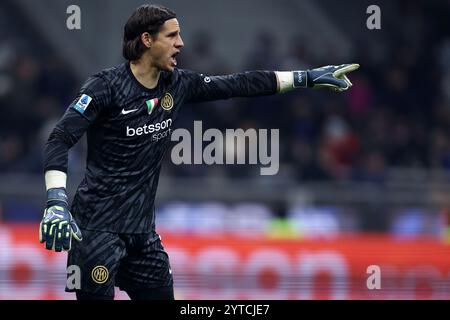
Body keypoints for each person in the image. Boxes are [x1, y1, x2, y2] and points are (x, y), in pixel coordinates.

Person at [40, 4, 359, 300]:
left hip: (142, 235)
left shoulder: (178, 84)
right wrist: (56, 201)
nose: (181, 43)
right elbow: (59, 139)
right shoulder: (104, 87)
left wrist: (305, 77)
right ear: (147, 40)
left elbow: (239, 84)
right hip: (95, 230)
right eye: (172, 35)